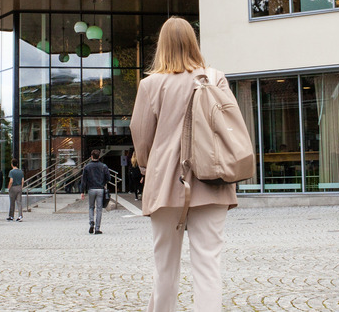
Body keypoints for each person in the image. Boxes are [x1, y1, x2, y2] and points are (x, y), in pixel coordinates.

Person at [130, 16, 238, 312]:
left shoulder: (150, 85)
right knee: (208, 264)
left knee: (164, 266)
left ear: (161, 46)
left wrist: (147, 168)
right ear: (194, 41)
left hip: (166, 181)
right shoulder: (215, 78)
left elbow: (141, 138)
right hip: (213, 178)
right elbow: (231, 128)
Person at [80, 149, 111, 234]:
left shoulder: (87, 167)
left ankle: (91, 222)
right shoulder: (103, 166)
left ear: (91, 156)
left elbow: (83, 180)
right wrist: (103, 183)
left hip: (91, 189)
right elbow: (109, 178)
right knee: (99, 209)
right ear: (99, 156)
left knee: (91, 207)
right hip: (100, 189)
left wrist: (82, 191)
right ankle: (97, 228)